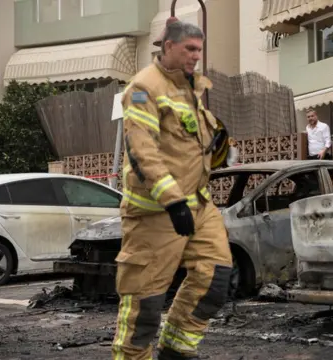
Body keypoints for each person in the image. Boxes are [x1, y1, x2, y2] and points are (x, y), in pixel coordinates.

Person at [112, 18, 232, 360]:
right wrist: (172, 200)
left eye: (199, 49)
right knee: (144, 304)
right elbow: (142, 151)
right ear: (168, 46)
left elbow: (191, 142)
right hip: (155, 213)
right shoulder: (143, 87)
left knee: (215, 277)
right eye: (190, 49)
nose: (197, 56)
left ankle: (175, 352)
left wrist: (221, 146)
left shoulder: (187, 87)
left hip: (199, 204)